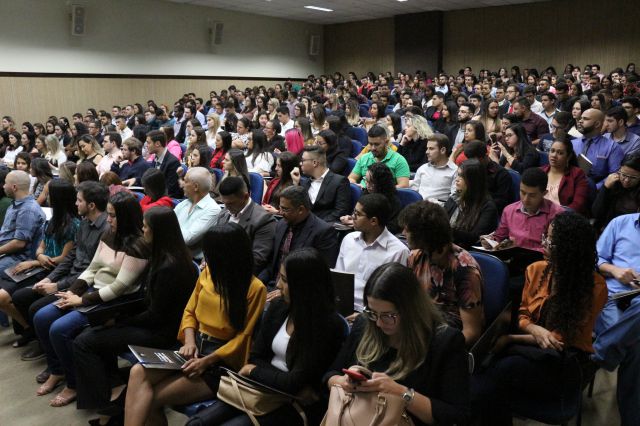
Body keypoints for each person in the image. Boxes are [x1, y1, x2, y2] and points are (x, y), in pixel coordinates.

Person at [124, 223, 266, 426]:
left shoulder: (254, 288)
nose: (206, 259)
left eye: (210, 254)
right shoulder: (208, 274)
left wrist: (207, 361)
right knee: (137, 372)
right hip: (194, 348)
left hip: (221, 362)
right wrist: (189, 342)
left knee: (150, 398)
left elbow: (243, 338)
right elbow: (189, 312)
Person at [472, 212, 607, 425]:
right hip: (531, 349)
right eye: (546, 237)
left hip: (565, 358)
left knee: (496, 376)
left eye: (551, 241)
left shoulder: (594, 287)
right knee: (491, 382)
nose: (544, 243)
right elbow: (523, 315)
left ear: (570, 249)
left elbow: (559, 340)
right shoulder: (536, 270)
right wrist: (535, 329)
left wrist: (511, 338)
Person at [73, 207, 198, 424]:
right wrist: (116, 315)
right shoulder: (163, 255)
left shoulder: (170, 267)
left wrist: (119, 320)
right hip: (154, 323)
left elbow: (156, 315)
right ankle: (113, 401)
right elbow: (149, 302)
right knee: (92, 332)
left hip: (163, 334)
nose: (142, 230)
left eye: (146, 227)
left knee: (85, 342)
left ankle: (106, 407)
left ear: (157, 232)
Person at [197, 248, 346, 425]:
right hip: (259, 388)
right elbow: (255, 357)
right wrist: (275, 377)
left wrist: (253, 371)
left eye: (285, 280)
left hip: (291, 403)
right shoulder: (279, 307)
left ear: (304, 286)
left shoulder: (326, 326)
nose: (278, 285)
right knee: (197, 423)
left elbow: (294, 382)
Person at [33, 191, 149, 407]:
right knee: (42, 317)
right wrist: (74, 291)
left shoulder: (138, 246)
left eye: (113, 216)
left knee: (58, 329)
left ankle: (73, 384)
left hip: (112, 302)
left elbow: (119, 287)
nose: (109, 219)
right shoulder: (109, 235)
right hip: (92, 292)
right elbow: (92, 268)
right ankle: (57, 371)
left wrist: (82, 301)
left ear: (125, 217)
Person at [323, 262, 470, 426]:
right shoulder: (365, 324)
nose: (379, 323)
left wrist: (402, 393)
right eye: (373, 312)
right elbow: (330, 375)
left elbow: (456, 416)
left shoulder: (444, 342)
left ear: (411, 310)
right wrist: (343, 382)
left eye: (388, 315)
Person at [12, 181, 109, 365]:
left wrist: (58, 285)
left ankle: (53, 359)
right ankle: (46, 349)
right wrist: (50, 278)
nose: (75, 203)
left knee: (39, 312)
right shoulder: (85, 224)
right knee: (24, 297)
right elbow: (71, 257)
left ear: (91, 205)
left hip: (84, 283)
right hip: (71, 276)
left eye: (79, 200)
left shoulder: (104, 230)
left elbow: (91, 270)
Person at [0, 180, 79, 346]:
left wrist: (36, 261)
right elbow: (41, 247)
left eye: (49, 194)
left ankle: (35, 336)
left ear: (57, 198)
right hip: (41, 265)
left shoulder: (73, 225)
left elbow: (63, 258)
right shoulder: (52, 221)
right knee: (16, 293)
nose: (46, 197)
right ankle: (29, 331)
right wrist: (40, 256)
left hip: (54, 269)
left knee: (20, 296)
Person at [399, 201, 484, 345]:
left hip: (448, 336)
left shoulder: (465, 269)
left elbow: (472, 332)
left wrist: (441, 350)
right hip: (421, 324)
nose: (403, 233)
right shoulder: (415, 257)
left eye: (407, 230)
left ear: (422, 235)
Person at [591, 212, 640, 426]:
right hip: (614, 296)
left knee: (635, 346)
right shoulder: (620, 223)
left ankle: (602, 351)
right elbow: (596, 259)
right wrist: (615, 270)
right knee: (635, 346)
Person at [335, 193, 409, 316]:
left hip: (372, 314)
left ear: (373, 221)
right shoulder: (349, 239)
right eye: (354, 212)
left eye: (358, 214)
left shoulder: (398, 252)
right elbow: (339, 279)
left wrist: (366, 315)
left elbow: (394, 296)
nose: (352, 217)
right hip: (342, 306)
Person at [263, 186, 338, 291]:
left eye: (285, 209)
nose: (280, 212)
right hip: (272, 284)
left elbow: (320, 275)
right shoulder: (281, 224)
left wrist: (286, 291)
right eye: (280, 207)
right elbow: (272, 263)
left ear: (301, 209)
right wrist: (258, 283)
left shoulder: (324, 232)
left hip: (299, 290)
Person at [488, 167, 564, 253]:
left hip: (540, 259)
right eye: (523, 192)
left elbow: (555, 249)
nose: (525, 199)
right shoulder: (509, 210)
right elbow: (499, 237)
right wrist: (491, 242)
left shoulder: (557, 214)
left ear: (544, 193)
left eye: (532, 195)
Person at [216, 176, 276, 274]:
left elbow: (258, 259)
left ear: (246, 196)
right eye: (224, 203)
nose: (226, 207)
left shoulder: (264, 220)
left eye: (231, 203)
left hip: (240, 274)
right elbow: (214, 243)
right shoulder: (224, 212)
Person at [445, 159, 498, 248]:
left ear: (473, 181)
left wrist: (446, 230)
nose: (457, 179)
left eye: (462, 176)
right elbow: (443, 218)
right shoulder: (455, 197)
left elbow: (475, 238)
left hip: (468, 250)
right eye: (458, 175)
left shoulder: (488, 207)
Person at [0, 170, 46, 273]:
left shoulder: (27, 210)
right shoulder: (15, 204)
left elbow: (19, 244)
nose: (3, 186)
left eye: (6, 183)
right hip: (7, 252)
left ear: (14, 187)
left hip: (18, 258)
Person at [292, 146, 350, 223]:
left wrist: (316, 224)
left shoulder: (339, 181)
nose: (300, 163)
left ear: (314, 163)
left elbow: (340, 212)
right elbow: (297, 207)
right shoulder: (304, 183)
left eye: (303, 160)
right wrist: (295, 184)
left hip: (326, 226)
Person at [174, 167, 221, 260]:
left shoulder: (213, 210)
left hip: (192, 261)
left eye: (185, 181)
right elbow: (166, 225)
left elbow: (187, 239)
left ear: (195, 187)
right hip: (175, 254)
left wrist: (171, 228)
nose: (182, 185)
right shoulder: (184, 203)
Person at [571, 108, 625, 188]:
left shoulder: (612, 147)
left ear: (597, 124)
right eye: (581, 118)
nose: (580, 121)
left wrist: (595, 188)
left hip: (596, 191)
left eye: (585, 119)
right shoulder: (572, 143)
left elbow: (614, 175)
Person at [541, 135, 590, 215]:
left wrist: (557, 216)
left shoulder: (577, 174)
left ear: (568, 157)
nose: (554, 155)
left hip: (563, 217)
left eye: (560, 153)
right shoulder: (540, 171)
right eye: (552, 151)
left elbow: (578, 204)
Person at [592, 155, 640, 230]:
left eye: (633, 177)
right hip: (607, 227)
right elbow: (596, 213)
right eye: (624, 175)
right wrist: (605, 188)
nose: (626, 180)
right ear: (619, 171)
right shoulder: (613, 183)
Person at [411, 134, 457, 202]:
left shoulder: (454, 171)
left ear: (443, 150)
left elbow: (454, 198)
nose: (427, 152)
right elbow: (414, 192)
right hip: (418, 205)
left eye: (431, 149)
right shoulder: (422, 168)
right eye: (427, 148)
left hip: (439, 207)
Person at [146, 129, 183, 199]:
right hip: (156, 196)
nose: (146, 146)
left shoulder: (173, 162)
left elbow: (171, 190)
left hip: (167, 199)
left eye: (148, 143)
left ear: (157, 144)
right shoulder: (155, 158)